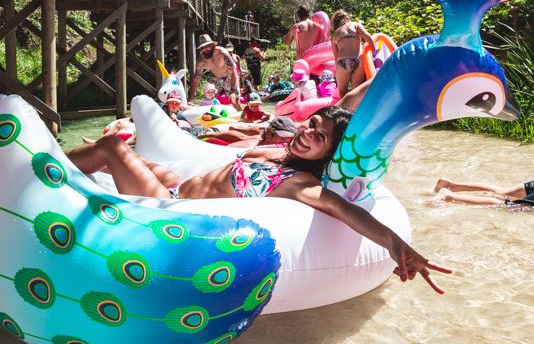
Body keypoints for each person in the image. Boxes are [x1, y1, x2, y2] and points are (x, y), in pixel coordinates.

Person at [66, 107, 451, 292]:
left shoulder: (297, 181)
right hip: (177, 184)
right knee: (139, 158)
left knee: (113, 148)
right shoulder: (278, 154)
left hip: (170, 207)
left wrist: (396, 245)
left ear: (329, 154)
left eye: (320, 137)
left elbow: (343, 208)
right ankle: (65, 164)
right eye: (311, 123)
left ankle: (40, 167)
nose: (307, 132)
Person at [330, 9, 376, 97]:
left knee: (343, 92)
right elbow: (368, 37)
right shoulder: (356, 25)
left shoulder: (334, 34)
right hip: (357, 61)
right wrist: (374, 52)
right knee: (357, 91)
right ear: (347, 17)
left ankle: (344, 110)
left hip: (342, 62)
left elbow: (336, 56)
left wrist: (338, 72)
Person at [189, 34, 242, 109]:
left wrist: (232, 91)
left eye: (207, 46)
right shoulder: (202, 60)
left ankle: (241, 117)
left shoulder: (222, 53)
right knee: (209, 100)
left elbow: (234, 71)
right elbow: (196, 79)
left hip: (230, 78)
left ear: (212, 45)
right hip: (216, 79)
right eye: (202, 48)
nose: (205, 49)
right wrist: (190, 98)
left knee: (235, 101)